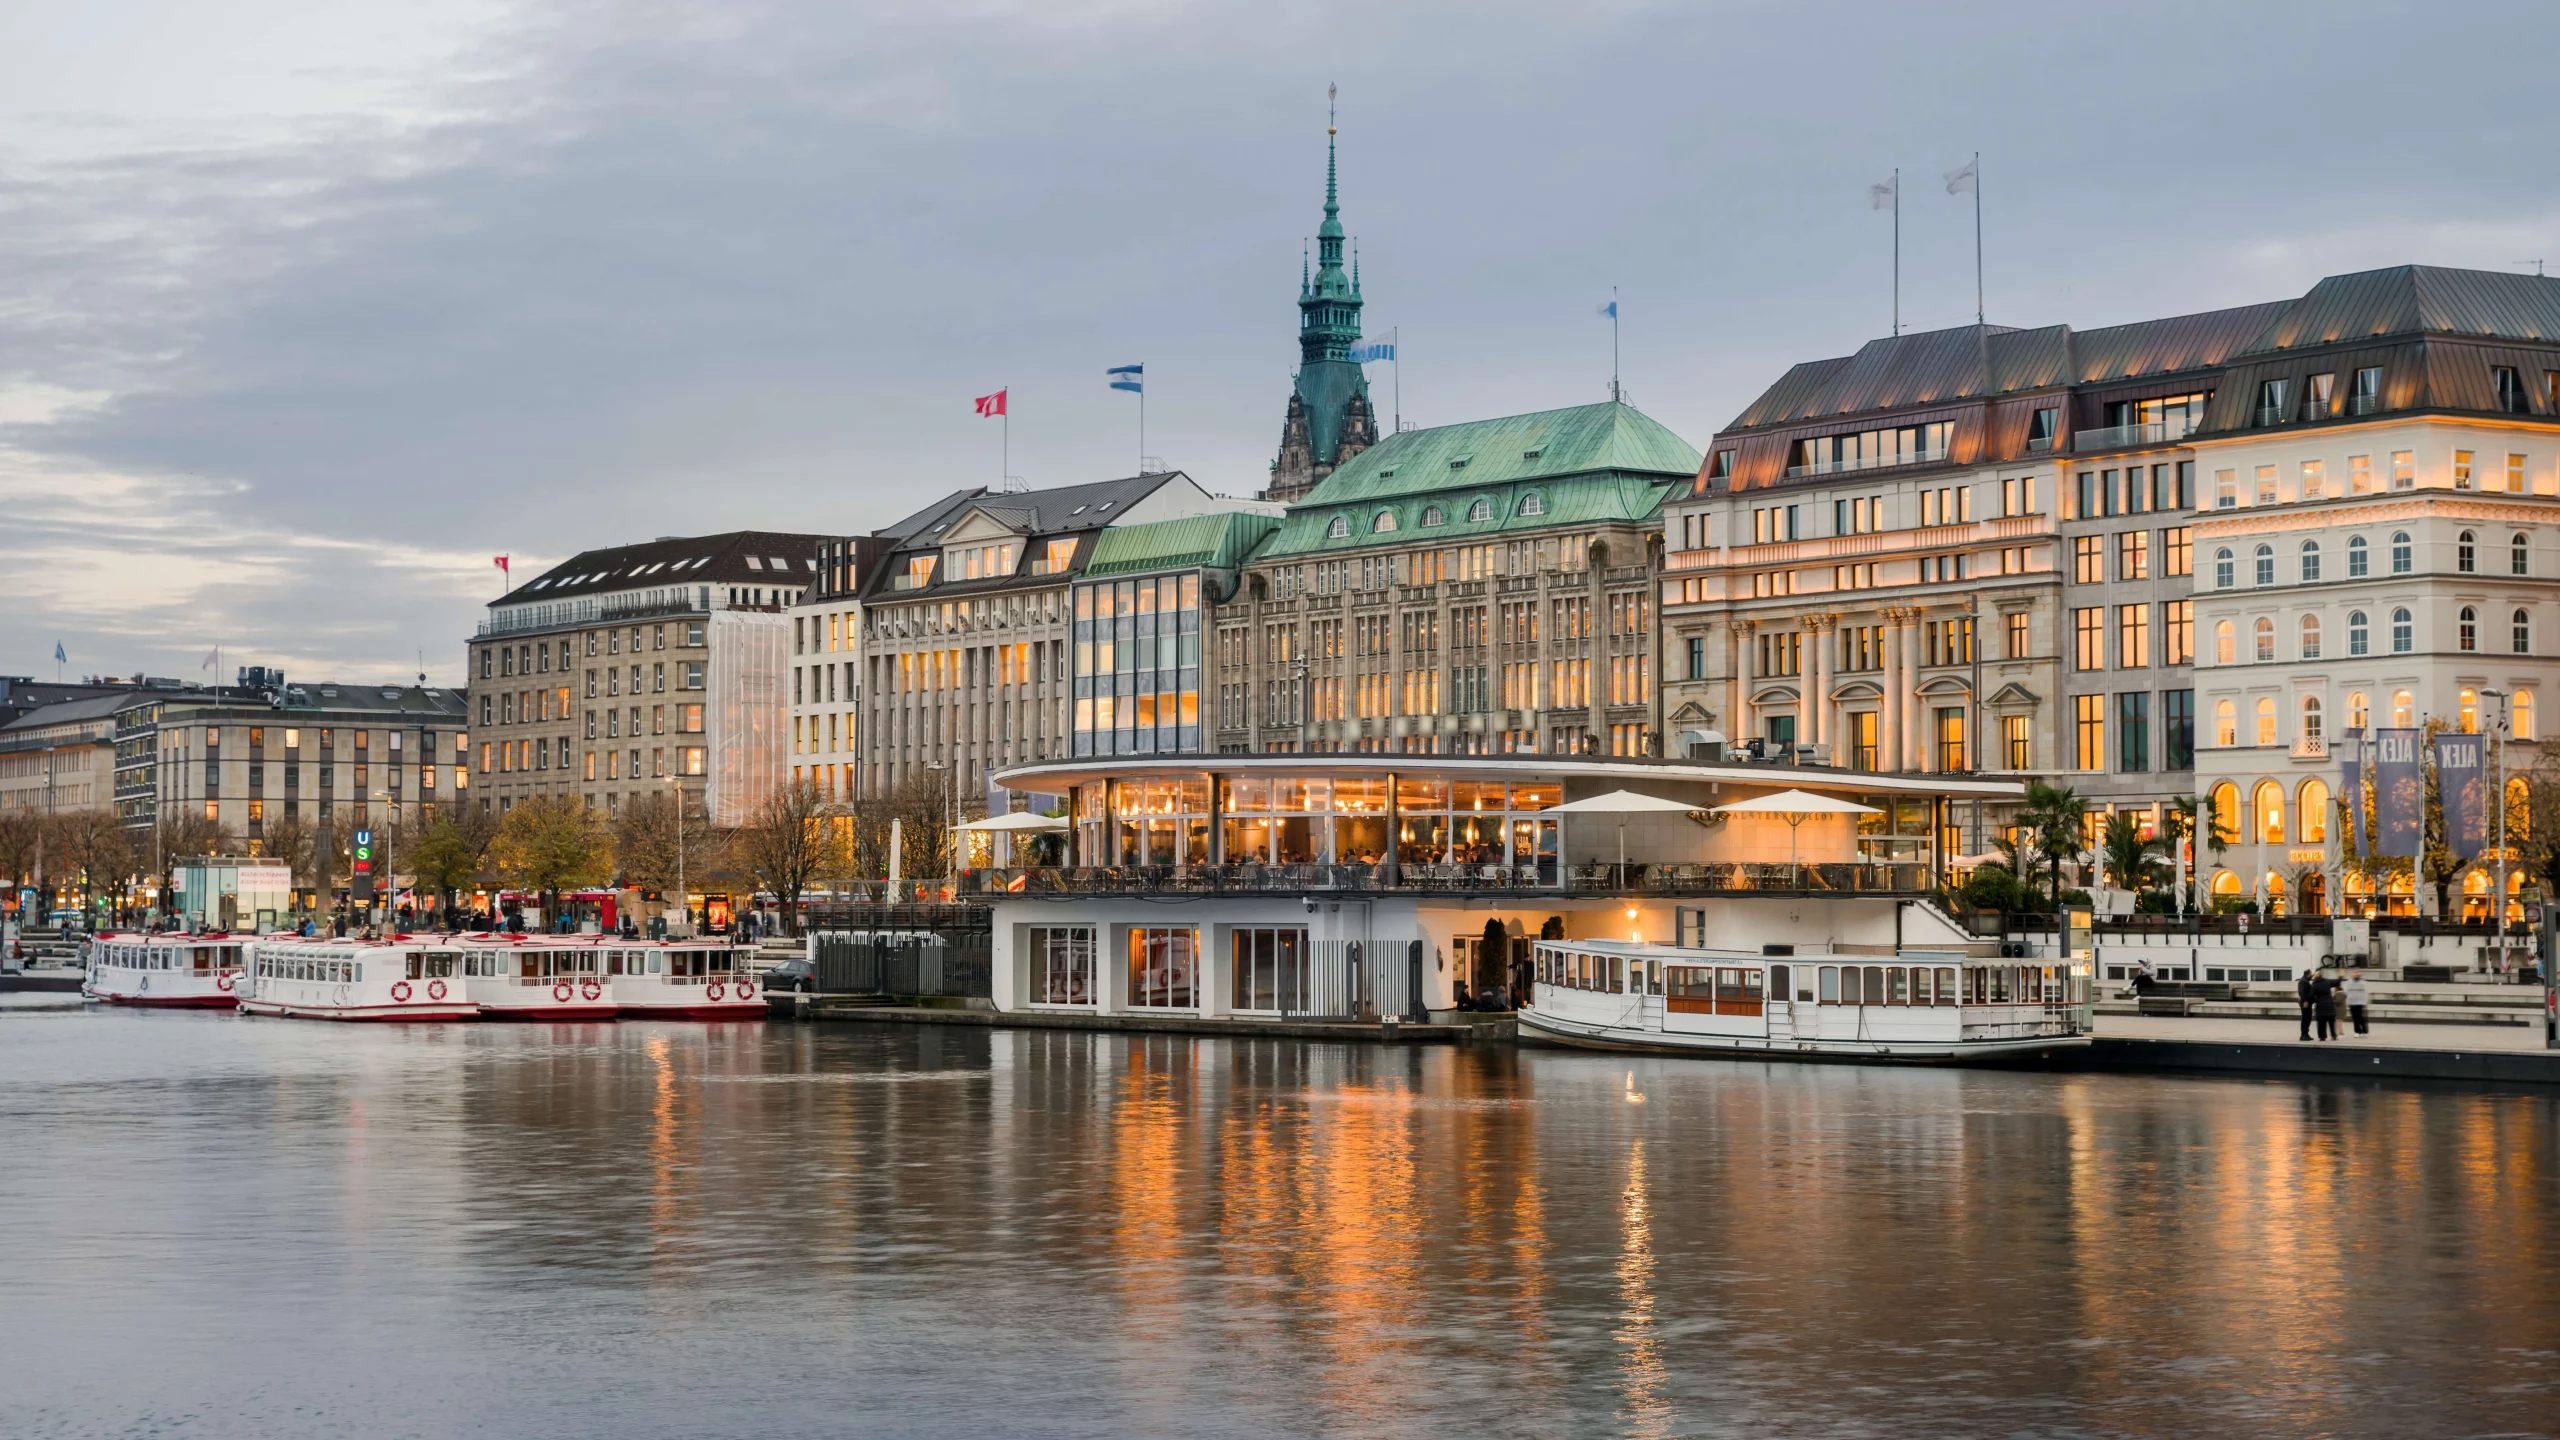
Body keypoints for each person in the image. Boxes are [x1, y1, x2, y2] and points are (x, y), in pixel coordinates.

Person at [2312, 969, 2341, 1041]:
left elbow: (2311, 995)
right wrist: (2340, 976)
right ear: (2322, 975)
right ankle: (2334, 1036)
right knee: (2331, 1022)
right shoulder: (2327, 981)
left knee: (2321, 1023)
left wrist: (2315, 1000)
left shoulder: (2314, 984)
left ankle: (2322, 1037)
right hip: (2329, 1004)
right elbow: (2337, 982)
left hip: (2320, 1005)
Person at [2344, 968, 2372, 1036]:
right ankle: (2357, 1031)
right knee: (2354, 1017)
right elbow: (2346, 992)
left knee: (2360, 1017)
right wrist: (2347, 1001)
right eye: (2355, 973)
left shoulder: (2363, 983)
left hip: (2360, 1002)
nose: (2356, 974)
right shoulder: (2348, 982)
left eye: (2357, 973)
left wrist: (2365, 1001)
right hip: (2352, 1002)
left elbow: (2366, 992)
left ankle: (2364, 1030)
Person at [2296, 970, 2317, 1042]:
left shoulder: (2305, 980)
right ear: (2308, 974)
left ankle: (2306, 1034)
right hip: (2305, 1003)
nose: (2311, 976)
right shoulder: (2303, 981)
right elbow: (2301, 992)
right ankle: (2303, 1034)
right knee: (2306, 1018)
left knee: (2308, 1018)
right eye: (2311, 975)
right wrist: (2305, 1001)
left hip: (2308, 1002)